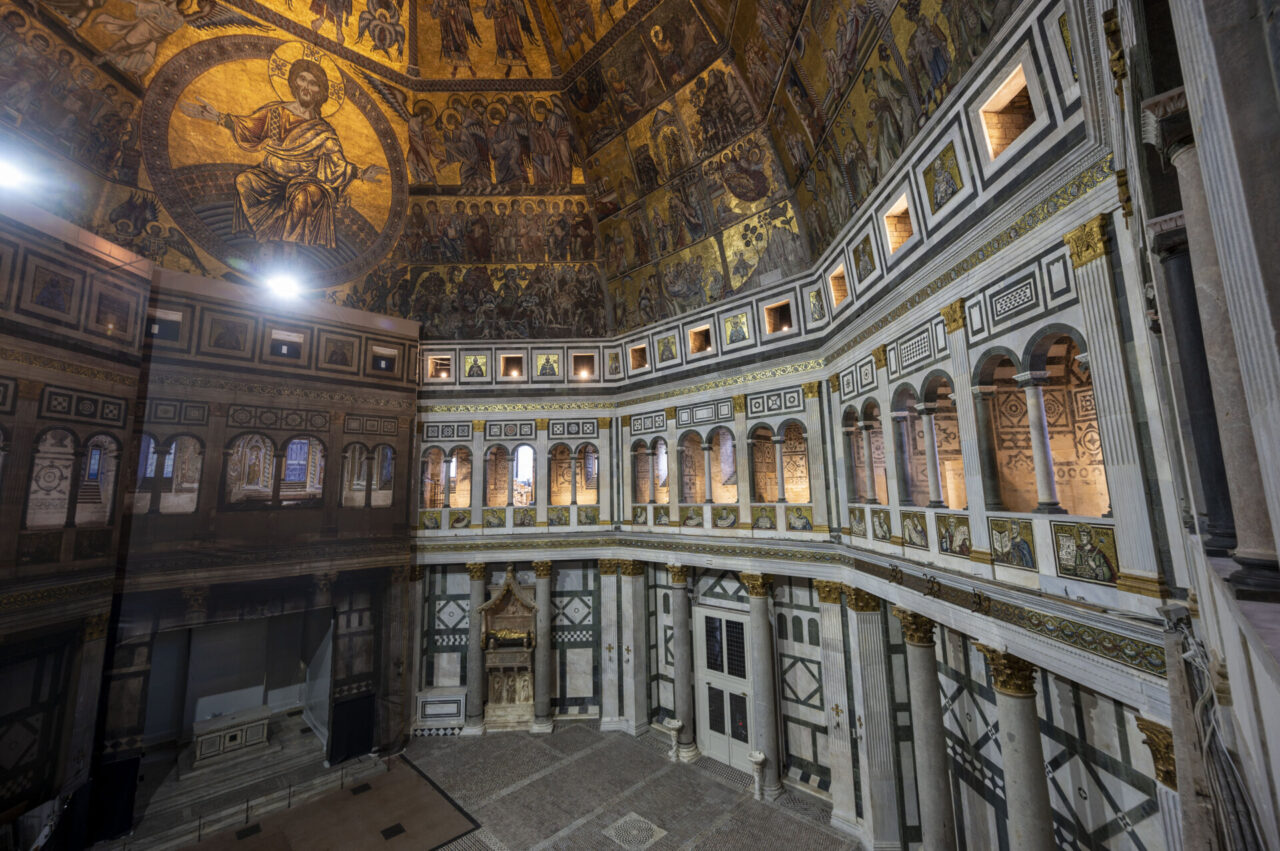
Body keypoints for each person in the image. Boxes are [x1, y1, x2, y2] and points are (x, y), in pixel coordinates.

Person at [181, 58, 386, 249]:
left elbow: (337, 163)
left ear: (320, 92)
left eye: (313, 83)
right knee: (245, 180)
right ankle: (266, 237)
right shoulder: (276, 112)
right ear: (294, 82)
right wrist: (218, 117)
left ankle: (290, 249)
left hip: (304, 181)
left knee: (305, 196)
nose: (306, 86)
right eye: (302, 79)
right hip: (270, 176)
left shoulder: (323, 130)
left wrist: (360, 173)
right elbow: (249, 128)